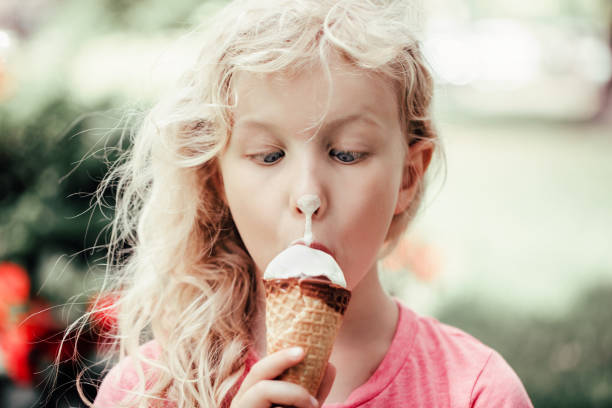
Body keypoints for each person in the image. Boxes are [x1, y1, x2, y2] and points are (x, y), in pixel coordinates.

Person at [88, 0, 534, 407]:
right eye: (268, 156)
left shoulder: (476, 392)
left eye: (347, 154)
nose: (308, 196)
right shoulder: (147, 391)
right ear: (218, 179)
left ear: (408, 175)